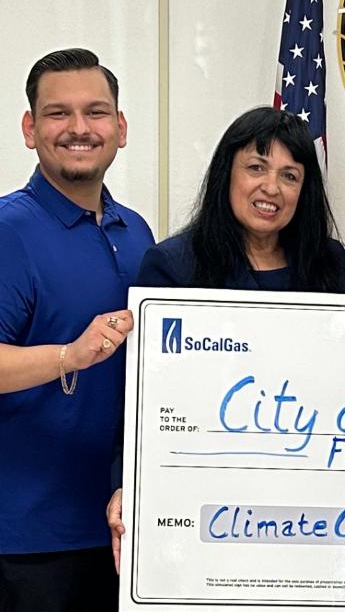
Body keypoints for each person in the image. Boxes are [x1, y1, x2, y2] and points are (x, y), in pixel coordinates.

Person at [106, 106, 345, 570]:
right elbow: (143, 393)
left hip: (308, 493)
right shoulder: (174, 266)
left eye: (290, 175)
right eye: (256, 168)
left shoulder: (330, 265)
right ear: (227, 174)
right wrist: (127, 481)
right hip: (205, 488)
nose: (271, 188)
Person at [0, 49, 154, 611]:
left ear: (120, 128)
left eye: (95, 112)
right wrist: (69, 354)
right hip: (29, 540)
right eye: (58, 113)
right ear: (29, 128)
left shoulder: (135, 230)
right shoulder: (8, 230)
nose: (79, 129)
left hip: (122, 527)